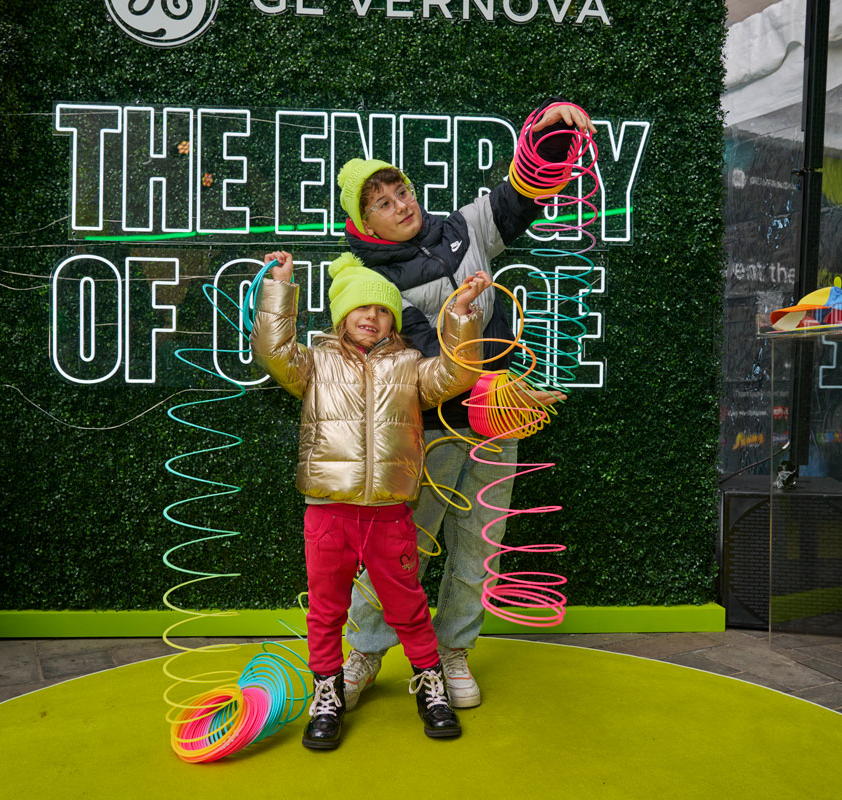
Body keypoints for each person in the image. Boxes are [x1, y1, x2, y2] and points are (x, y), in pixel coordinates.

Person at [337, 100, 593, 710]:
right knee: (403, 550)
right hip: (424, 432)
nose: (402, 204)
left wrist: (549, 131)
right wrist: (473, 368)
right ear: (364, 220)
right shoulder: (360, 275)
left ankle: (453, 650)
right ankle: (364, 653)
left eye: (400, 189)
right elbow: (402, 353)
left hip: (495, 423)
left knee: (481, 544)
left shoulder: (462, 228)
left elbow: (519, 194)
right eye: (383, 202)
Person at [250, 248, 492, 750]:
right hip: (328, 514)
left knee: (407, 605)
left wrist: (462, 314)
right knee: (326, 609)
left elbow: (457, 375)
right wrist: (280, 287)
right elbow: (273, 352)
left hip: (388, 516)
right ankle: (327, 690)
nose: (373, 317)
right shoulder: (313, 362)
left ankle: (430, 684)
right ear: (342, 313)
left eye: (383, 310)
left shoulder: (409, 365)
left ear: (393, 321)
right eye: (363, 308)